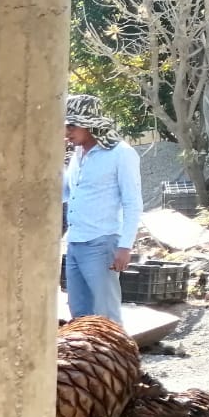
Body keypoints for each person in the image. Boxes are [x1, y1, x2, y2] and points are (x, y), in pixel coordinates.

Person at [63, 94, 143, 323]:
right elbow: (66, 192)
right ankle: (91, 359)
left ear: (90, 124)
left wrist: (125, 246)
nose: (67, 131)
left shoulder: (121, 153)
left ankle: (118, 358)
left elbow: (133, 203)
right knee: (80, 315)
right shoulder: (78, 154)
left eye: (72, 125)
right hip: (75, 242)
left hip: (101, 242)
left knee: (106, 315)